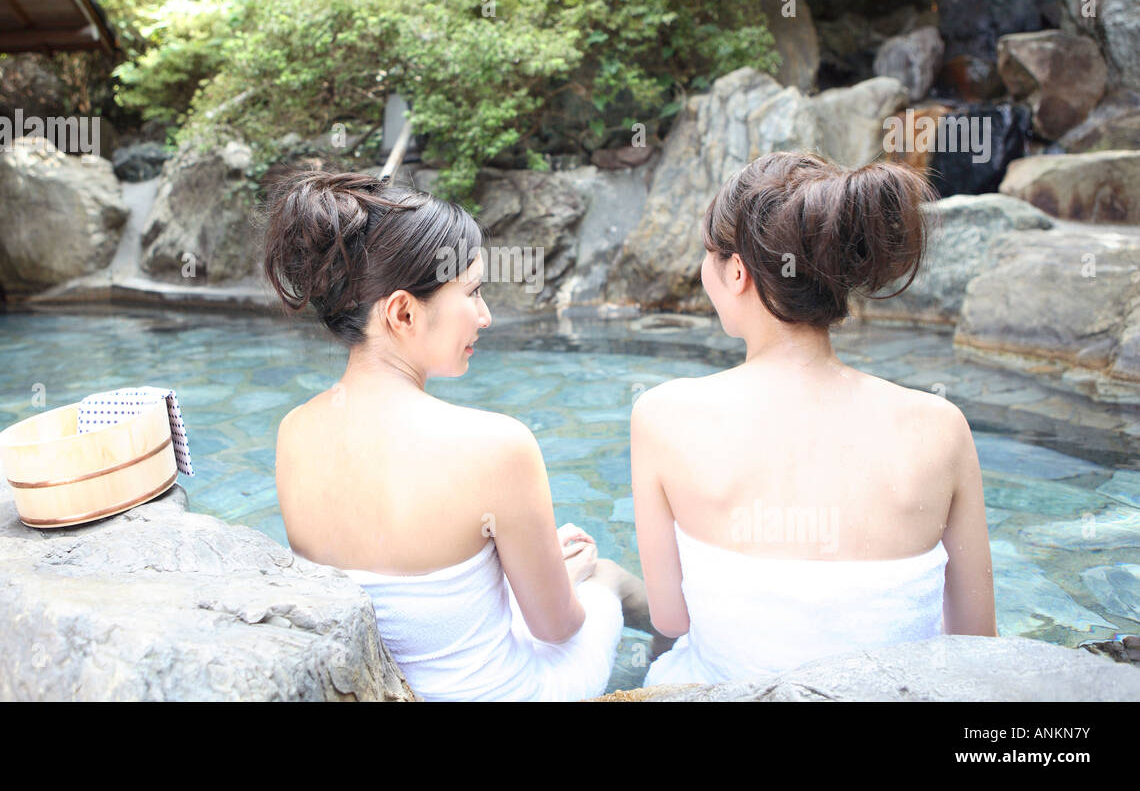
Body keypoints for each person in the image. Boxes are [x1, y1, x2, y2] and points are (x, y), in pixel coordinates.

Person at [265, 170, 652, 701]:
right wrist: (569, 579)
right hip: (503, 693)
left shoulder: (295, 431)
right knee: (606, 576)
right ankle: (681, 657)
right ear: (403, 312)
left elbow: (398, 597)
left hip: (383, 686)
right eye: (473, 293)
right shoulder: (497, 445)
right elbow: (556, 628)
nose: (486, 317)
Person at [633, 150, 998, 688]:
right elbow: (976, 641)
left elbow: (670, 619)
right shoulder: (940, 425)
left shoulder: (664, 416)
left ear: (737, 272)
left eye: (709, 257)